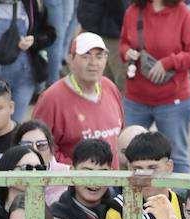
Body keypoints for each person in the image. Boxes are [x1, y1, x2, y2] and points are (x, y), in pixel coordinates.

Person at [119, 0, 190, 174]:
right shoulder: (133, 11)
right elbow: (123, 44)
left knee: (176, 158)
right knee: (128, 155)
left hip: (173, 100)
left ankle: (179, 200)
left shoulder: (184, 13)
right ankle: (132, 200)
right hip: (136, 99)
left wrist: (168, 63)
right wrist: (127, 52)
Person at [31, 33, 124, 164]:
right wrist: (76, 171)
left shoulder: (110, 87)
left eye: (99, 56)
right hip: (72, 182)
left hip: (112, 181)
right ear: (70, 60)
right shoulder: (51, 99)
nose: (93, 63)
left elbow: (120, 136)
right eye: (85, 56)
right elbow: (38, 147)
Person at [51, 136, 116, 219]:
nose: (94, 181)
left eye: (102, 173)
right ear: (72, 172)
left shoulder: (119, 209)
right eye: (87, 173)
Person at [77, 0, 129, 90]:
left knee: (98, 84)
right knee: (120, 84)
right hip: (112, 32)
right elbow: (121, 7)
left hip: (95, 27)